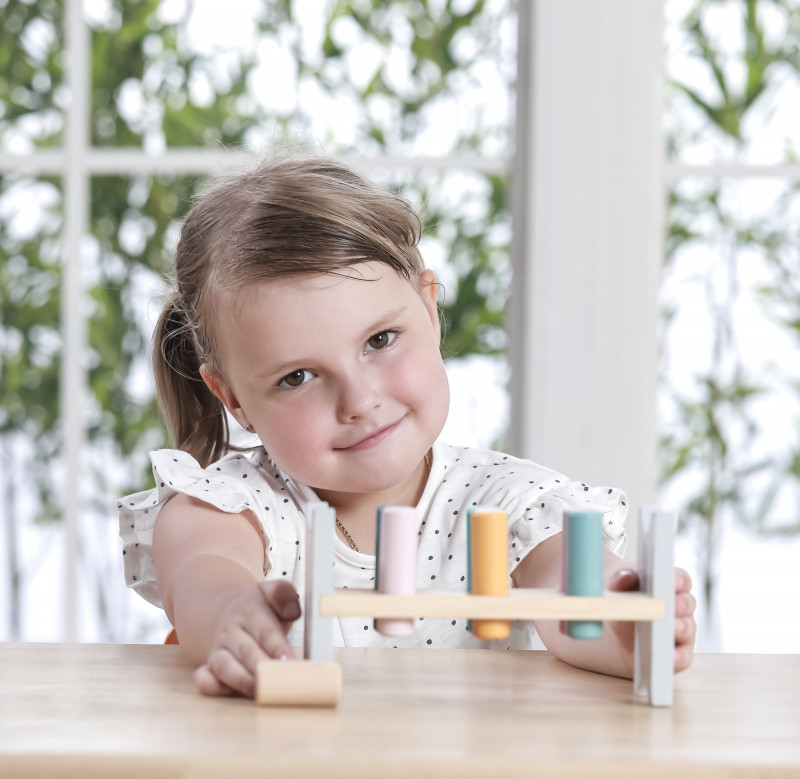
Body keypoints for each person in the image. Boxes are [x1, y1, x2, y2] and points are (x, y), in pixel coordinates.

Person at [118, 148, 697, 699]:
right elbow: (202, 575)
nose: (360, 400)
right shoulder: (231, 507)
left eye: (380, 340)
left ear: (428, 306)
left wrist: (627, 629)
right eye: (297, 377)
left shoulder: (510, 502)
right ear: (232, 398)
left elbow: (572, 594)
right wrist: (230, 616)